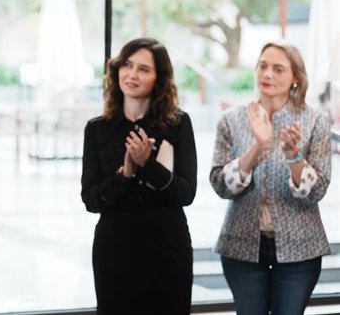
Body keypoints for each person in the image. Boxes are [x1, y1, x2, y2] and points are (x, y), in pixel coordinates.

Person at [210, 41, 331, 315]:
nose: (267, 74)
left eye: (278, 69)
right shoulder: (231, 119)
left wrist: (294, 157)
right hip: (241, 248)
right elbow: (220, 184)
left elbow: (317, 190)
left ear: (295, 79)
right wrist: (258, 147)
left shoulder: (315, 121)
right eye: (263, 66)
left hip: (301, 251)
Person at [81, 37, 197, 314]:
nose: (132, 74)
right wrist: (125, 174)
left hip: (168, 250)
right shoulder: (98, 129)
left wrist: (148, 165)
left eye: (143, 69)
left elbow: (186, 193)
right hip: (115, 251)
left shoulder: (178, 124)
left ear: (159, 79)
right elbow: (91, 200)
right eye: (127, 65)